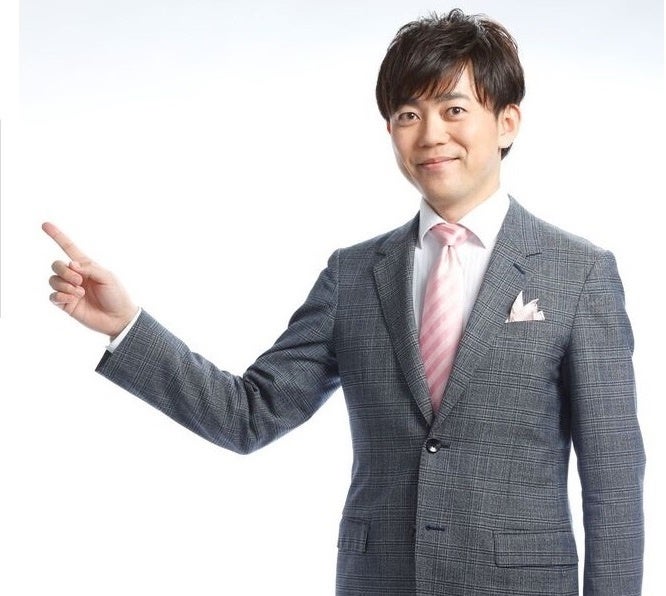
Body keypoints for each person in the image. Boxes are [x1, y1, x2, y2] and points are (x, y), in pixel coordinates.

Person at [43, 8, 644, 596]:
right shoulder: (353, 276)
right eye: (408, 114)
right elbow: (249, 414)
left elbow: (613, 479)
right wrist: (126, 326)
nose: (431, 134)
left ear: (507, 123)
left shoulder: (578, 273)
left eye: (454, 109)